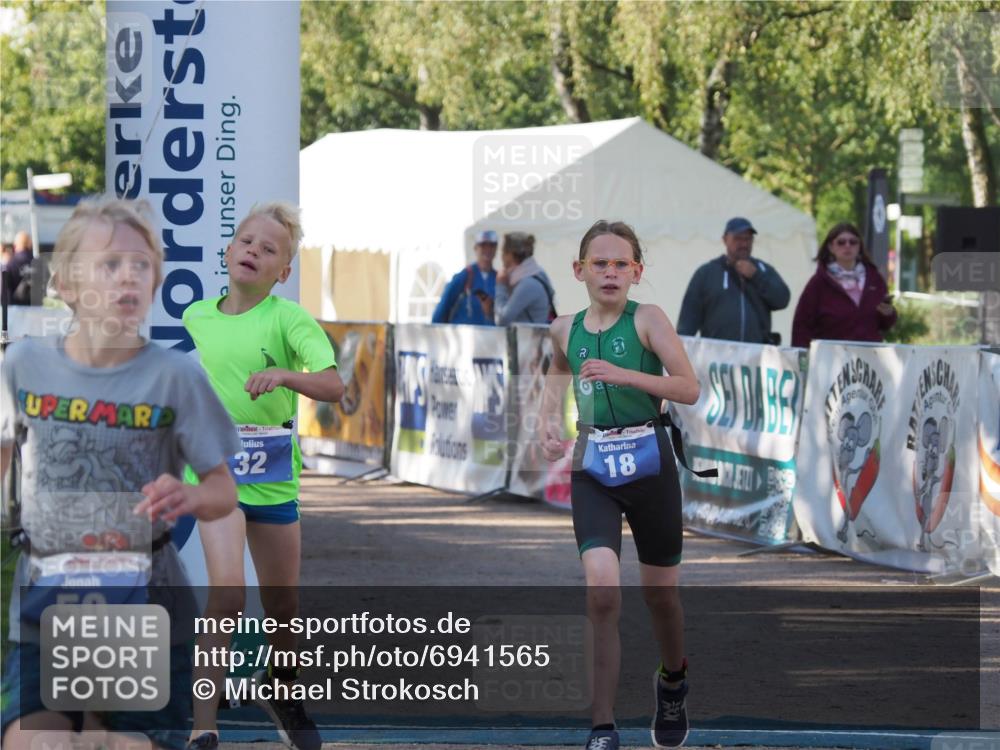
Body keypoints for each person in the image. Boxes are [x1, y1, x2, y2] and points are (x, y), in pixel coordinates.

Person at [0, 198, 240, 750]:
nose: (128, 277)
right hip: (47, 601)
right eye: (110, 265)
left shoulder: (176, 376)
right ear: (66, 282)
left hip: (142, 602)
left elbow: (223, 491)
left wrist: (189, 494)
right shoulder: (24, 366)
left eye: (142, 265)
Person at [182, 202, 344, 750]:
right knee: (225, 593)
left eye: (268, 248)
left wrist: (283, 375)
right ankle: (204, 727)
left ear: (284, 271)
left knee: (283, 607)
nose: (252, 250)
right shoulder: (196, 317)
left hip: (272, 478)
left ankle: (282, 688)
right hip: (216, 475)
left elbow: (333, 387)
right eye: (245, 241)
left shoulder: (289, 319)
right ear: (228, 252)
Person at [541, 220, 701, 750]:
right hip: (595, 469)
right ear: (579, 270)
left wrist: (627, 376)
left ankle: (672, 680)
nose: (609, 272)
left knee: (661, 597)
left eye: (620, 264)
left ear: (637, 271)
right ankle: (602, 727)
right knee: (602, 592)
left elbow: (689, 387)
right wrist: (547, 418)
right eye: (599, 263)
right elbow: (558, 369)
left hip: (651, 465)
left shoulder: (649, 320)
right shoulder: (564, 327)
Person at [676, 217, 790, 343]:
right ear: (725, 239)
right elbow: (688, 320)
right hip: (715, 358)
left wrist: (756, 277)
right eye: (737, 238)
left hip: (756, 357)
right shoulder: (706, 273)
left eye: (747, 239)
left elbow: (782, 300)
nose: (743, 244)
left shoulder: (763, 270)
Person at [791, 222, 897, 348]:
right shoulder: (818, 283)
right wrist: (802, 358)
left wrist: (889, 314)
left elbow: (885, 324)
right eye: (841, 242)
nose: (847, 246)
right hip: (830, 359)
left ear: (859, 247)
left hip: (869, 358)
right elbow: (801, 325)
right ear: (831, 247)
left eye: (853, 242)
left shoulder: (874, 279)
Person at [431, 229, 498, 325]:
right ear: (476, 248)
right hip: (463, 337)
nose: (487, 250)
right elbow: (443, 307)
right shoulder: (466, 276)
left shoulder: (498, 279)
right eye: (483, 246)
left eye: (491, 246)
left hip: (489, 337)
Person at [494, 231, 556, 325]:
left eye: (503, 252)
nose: (501, 256)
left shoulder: (527, 284)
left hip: (530, 339)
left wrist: (501, 286)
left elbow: (502, 320)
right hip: (533, 337)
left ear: (510, 255)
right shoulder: (537, 272)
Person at [6, 230, 34, 305]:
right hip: (36, 311)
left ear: (15, 246)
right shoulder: (40, 264)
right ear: (30, 244)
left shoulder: (10, 264)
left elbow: (5, 291)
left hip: (16, 311)